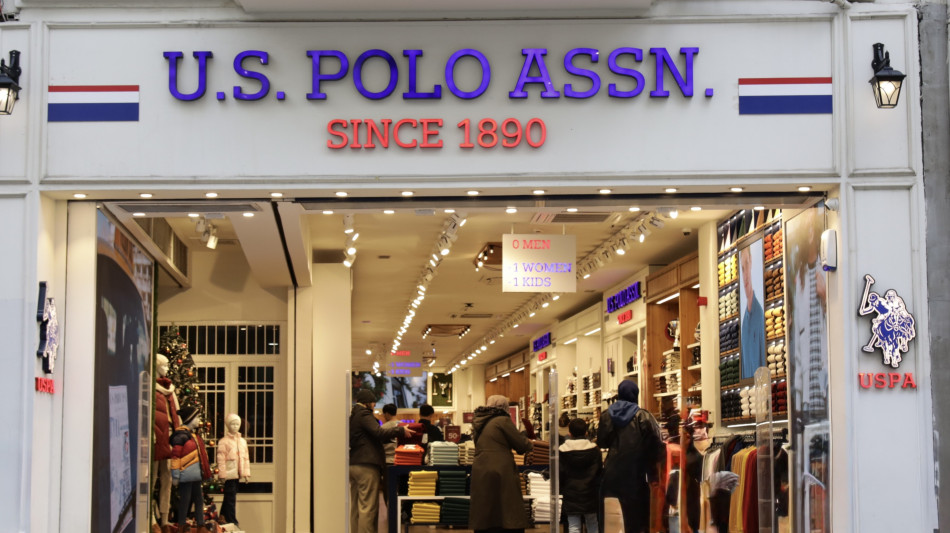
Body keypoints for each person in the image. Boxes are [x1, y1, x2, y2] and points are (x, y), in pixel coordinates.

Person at [597, 380, 663, 533]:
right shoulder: (644, 416)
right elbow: (656, 446)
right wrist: (654, 474)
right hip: (636, 474)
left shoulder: (606, 415)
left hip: (612, 474)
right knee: (637, 519)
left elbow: (602, 442)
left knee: (611, 519)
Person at [350, 389, 413, 533]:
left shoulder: (353, 416)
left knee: (355, 507)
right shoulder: (364, 414)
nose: (374, 406)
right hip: (367, 465)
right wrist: (400, 430)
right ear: (368, 402)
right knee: (368, 506)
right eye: (373, 403)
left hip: (353, 463)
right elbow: (379, 432)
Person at [469, 395, 534, 533]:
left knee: (485, 506)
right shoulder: (502, 420)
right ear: (504, 407)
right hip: (501, 469)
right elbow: (522, 445)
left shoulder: (478, 421)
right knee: (507, 507)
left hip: (481, 468)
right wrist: (527, 438)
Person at [170, 405, 213, 533]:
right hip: (186, 475)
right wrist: (175, 475)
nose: (199, 420)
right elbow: (176, 457)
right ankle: (181, 524)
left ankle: (201, 524)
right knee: (185, 500)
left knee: (199, 500)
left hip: (196, 475)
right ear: (190, 419)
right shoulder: (181, 436)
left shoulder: (193, 436)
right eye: (197, 417)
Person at [559, 418, 602, 533]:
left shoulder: (562, 451)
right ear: (586, 432)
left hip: (571, 493)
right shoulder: (595, 450)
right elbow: (599, 471)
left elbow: (561, 473)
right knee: (592, 523)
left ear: (570, 433)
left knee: (573, 525)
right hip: (590, 492)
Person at [152, 354, 179, 533]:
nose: (167, 368)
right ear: (157, 366)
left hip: (169, 436)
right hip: (156, 438)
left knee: (167, 477)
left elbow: (176, 413)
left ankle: (164, 518)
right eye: (165, 365)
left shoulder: (170, 390)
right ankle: (151, 517)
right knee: (152, 477)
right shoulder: (151, 388)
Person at [216, 413, 251, 526]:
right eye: (232, 424)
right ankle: (232, 520)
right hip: (229, 473)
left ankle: (223, 516)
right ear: (228, 425)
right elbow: (221, 459)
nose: (235, 426)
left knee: (229, 496)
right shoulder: (224, 441)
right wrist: (222, 474)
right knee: (230, 497)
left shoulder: (242, 442)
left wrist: (246, 473)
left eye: (237, 424)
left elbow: (245, 458)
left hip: (237, 473)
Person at [740, 245, 766, 378]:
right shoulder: (744, 325)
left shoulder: (760, 316)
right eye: (742, 269)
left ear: (751, 261)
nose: (745, 276)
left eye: (746, 264)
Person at [380, 403, 400, 506]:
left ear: (387, 414)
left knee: (388, 489)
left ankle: (389, 510)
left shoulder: (383, 428)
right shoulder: (403, 426)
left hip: (388, 462)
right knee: (401, 488)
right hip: (402, 462)